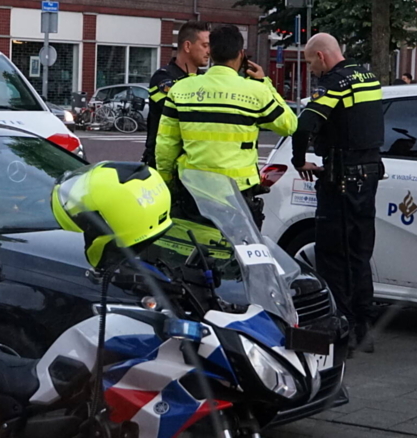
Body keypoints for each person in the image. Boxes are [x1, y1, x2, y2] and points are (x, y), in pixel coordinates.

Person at [291, 33, 384, 354]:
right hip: (369, 176)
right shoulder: (368, 78)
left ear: (321, 56)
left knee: (333, 253)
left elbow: (305, 125)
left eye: (310, 63)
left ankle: (340, 329)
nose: (311, 70)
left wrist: (299, 160)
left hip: (341, 178)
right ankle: (364, 327)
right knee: (360, 251)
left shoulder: (334, 83)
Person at [155, 24, 296, 228]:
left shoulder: (181, 89)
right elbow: (289, 125)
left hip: (193, 189)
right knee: (236, 245)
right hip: (238, 192)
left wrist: (167, 180)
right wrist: (265, 82)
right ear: (241, 54)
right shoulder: (256, 91)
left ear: (211, 53)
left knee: (195, 242)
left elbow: (166, 144)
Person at [142, 21, 210, 168]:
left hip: (195, 163)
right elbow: (180, 111)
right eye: (205, 46)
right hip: (163, 164)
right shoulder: (163, 78)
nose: (209, 51)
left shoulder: (205, 79)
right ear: (187, 46)